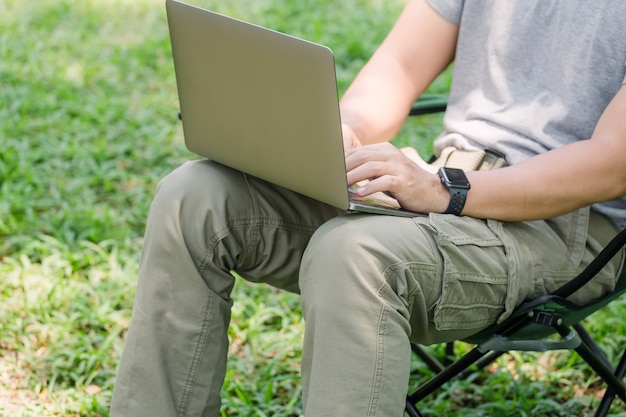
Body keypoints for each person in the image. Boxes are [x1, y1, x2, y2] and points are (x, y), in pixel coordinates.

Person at [110, 0, 626, 416]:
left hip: (565, 227)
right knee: (195, 196)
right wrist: (341, 133)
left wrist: (446, 189)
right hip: (445, 189)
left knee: (354, 253)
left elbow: (611, 164)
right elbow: (397, 70)